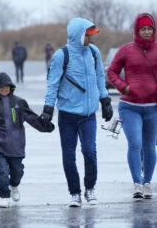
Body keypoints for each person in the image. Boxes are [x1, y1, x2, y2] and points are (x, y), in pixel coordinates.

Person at [39, 18, 113, 207]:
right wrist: (48, 109)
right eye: (87, 35)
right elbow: (52, 84)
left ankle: (90, 189)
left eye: (91, 35)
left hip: (89, 115)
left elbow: (99, 78)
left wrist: (105, 101)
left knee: (90, 151)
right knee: (69, 155)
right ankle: (75, 193)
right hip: (68, 115)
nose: (90, 38)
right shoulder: (61, 56)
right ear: (78, 35)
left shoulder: (94, 53)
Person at [0, 72, 54, 208]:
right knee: (2, 172)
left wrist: (46, 126)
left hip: (16, 145)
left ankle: (14, 185)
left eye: (7, 87)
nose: (4, 89)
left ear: (11, 88)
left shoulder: (19, 102)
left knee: (17, 172)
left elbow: (32, 118)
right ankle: (4, 196)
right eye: (1, 87)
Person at [107, 12, 157, 199]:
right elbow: (112, 71)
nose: (146, 32)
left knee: (150, 146)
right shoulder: (126, 49)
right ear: (137, 30)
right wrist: (123, 87)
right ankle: (137, 183)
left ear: (153, 30)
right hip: (130, 106)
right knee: (135, 144)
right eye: (142, 28)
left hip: (153, 108)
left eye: (149, 29)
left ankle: (147, 183)